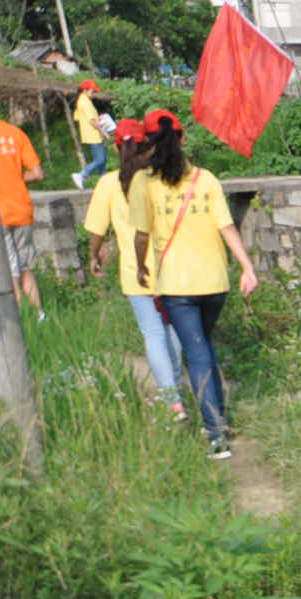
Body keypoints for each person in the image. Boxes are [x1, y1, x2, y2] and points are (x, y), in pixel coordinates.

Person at [128, 109, 261, 460]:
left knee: (197, 351)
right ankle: (218, 417)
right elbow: (227, 227)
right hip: (215, 281)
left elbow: (141, 235)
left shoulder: (144, 182)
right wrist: (247, 267)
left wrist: (142, 265)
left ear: (148, 143)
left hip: (176, 284)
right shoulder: (206, 178)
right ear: (183, 138)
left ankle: (216, 433)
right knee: (202, 347)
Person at [85, 117, 186, 418]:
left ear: (118, 148)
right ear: (148, 144)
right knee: (173, 330)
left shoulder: (109, 183)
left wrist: (94, 255)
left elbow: (96, 229)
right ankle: (177, 389)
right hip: (170, 265)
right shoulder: (161, 178)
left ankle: (173, 401)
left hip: (135, 271)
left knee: (153, 334)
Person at [0, 75, 44, 319]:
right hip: (22, 210)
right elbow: (37, 173)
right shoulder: (13, 133)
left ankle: (18, 322)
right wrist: (15, 178)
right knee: (25, 268)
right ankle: (39, 316)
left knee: (9, 271)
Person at [71, 78, 106, 188]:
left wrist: (98, 118)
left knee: (103, 159)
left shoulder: (83, 100)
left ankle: (103, 183)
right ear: (85, 90)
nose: (94, 93)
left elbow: (81, 118)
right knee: (100, 159)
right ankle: (82, 175)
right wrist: (103, 132)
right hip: (93, 135)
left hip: (92, 134)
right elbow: (91, 121)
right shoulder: (85, 102)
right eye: (92, 91)